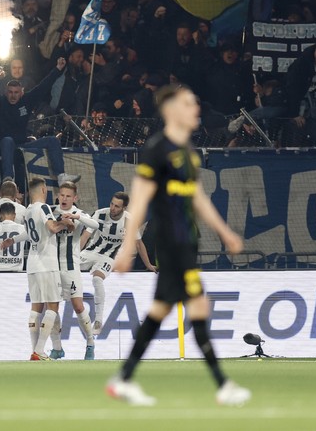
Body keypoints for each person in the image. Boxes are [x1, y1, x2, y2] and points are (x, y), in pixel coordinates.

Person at [107, 85, 251, 407]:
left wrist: (225, 232)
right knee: (199, 307)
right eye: (189, 103)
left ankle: (124, 378)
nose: (196, 108)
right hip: (172, 244)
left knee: (160, 311)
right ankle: (223, 386)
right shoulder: (157, 148)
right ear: (171, 110)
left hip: (187, 243)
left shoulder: (188, 151)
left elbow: (197, 197)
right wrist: (126, 246)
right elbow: (140, 199)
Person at [0, 58, 79, 186]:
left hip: (22, 145)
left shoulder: (26, 101)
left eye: (16, 92)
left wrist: (58, 69)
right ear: (6, 92)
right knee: (8, 140)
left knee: (52, 140)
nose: (13, 95)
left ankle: (61, 176)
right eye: (10, 92)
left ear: (21, 93)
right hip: (3, 146)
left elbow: (44, 85)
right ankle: (8, 179)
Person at [80, 192, 156, 334]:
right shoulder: (99, 214)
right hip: (90, 252)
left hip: (109, 257)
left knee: (97, 279)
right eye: (112, 204)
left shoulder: (130, 220)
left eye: (117, 206)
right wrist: (73, 256)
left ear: (124, 208)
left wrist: (148, 265)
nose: (112, 208)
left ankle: (98, 321)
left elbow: (139, 244)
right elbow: (85, 237)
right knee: (66, 269)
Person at [47, 182, 99, 360]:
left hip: (71, 267)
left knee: (78, 306)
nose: (64, 198)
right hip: (52, 268)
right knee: (52, 308)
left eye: (68, 196)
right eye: (61, 195)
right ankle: (57, 348)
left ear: (74, 198)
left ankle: (90, 343)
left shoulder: (79, 214)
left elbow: (95, 224)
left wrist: (76, 217)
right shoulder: (51, 212)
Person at [23, 177, 73, 360]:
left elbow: (27, 233)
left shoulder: (28, 211)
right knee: (52, 306)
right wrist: (64, 223)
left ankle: (34, 350)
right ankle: (39, 350)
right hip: (47, 263)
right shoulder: (43, 208)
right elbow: (52, 227)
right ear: (44, 190)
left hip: (33, 264)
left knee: (36, 308)